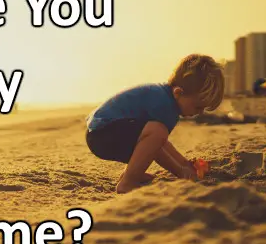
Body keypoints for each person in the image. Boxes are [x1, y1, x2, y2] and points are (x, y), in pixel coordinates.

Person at [85, 54, 225, 194]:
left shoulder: (165, 97)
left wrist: (184, 164)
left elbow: (160, 143)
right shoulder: (164, 105)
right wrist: (181, 172)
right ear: (178, 93)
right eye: (197, 107)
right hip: (103, 134)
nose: (200, 113)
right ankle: (128, 182)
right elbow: (158, 146)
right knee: (157, 133)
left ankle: (132, 174)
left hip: (102, 133)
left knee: (155, 135)